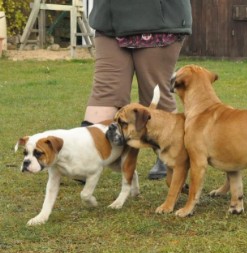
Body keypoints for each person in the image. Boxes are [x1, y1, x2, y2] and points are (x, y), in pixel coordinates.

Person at [81, 1, 192, 179]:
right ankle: (88, 155)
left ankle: (170, 153)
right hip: (110, 20)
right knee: (106, 91)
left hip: (159, 20)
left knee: (154, 87)